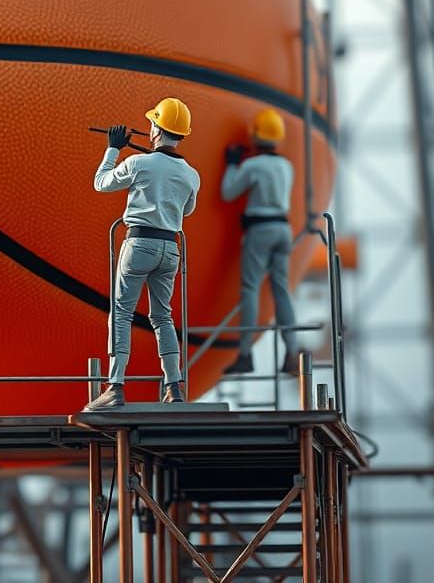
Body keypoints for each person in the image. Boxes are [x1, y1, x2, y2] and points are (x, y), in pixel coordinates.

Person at [84, 97, 200, 411]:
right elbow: (186, 210)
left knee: (121, 313)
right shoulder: (191, 174)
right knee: (163, 317)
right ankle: (174, 387)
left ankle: (115, 387)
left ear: (157, 130)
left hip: (139, 244)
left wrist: (113, 149)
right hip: (171, 248)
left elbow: (101, 183)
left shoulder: (139, 163)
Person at [221, 108, 300, 377]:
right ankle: (292, 351)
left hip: (260, 228)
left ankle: (245, 354)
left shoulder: (252, 165)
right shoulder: (286, 166)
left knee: (250, 289)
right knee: (282, 291)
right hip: (283, 229)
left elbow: (228, 191)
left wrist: (232, 164)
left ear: (255, 136)